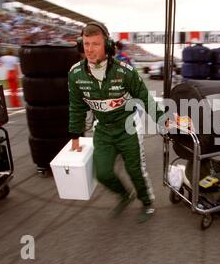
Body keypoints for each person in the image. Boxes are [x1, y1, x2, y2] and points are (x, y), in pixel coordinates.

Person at [69, 22, 164, 223]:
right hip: (102, 130)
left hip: (127, 127)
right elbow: (76, 107)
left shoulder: (125, 71)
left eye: (95, 44)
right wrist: (75, 137)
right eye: (86, 44)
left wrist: (163, 119)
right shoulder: (75, 74)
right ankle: (124, 195)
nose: (89, 49)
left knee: (134, 170)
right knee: (102, 173)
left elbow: (145, 98)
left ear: (108, 46)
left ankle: (147, 202)